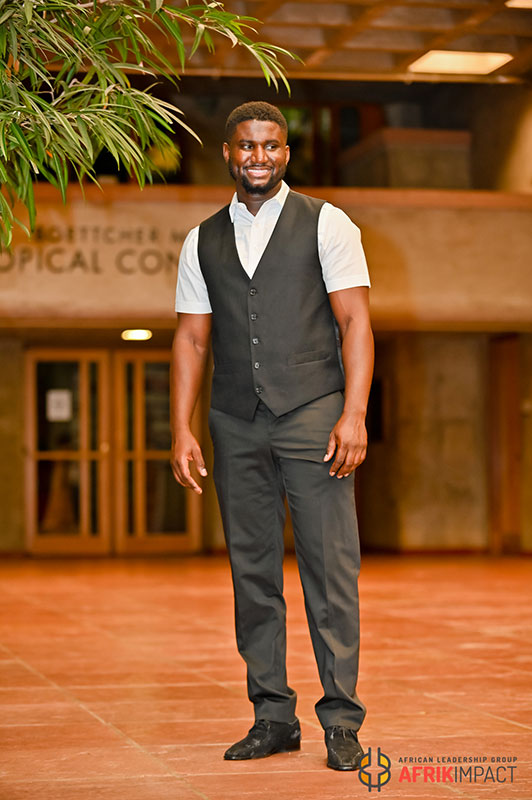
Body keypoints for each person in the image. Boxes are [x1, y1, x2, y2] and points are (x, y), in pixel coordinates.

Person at [170, 101, 373, 771]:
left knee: (329, 570)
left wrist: (353, 413)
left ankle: (341, 720)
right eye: (246, 145)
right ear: (229, 153)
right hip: (235, 419)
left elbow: (355, 323)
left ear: (286, 152)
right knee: (252, 572)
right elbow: (191, 338)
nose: (258, 156)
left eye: (270, 146)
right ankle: (272, 717)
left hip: (314, 414)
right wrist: (181, 427)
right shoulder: (201, 240)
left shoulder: (327, 222)